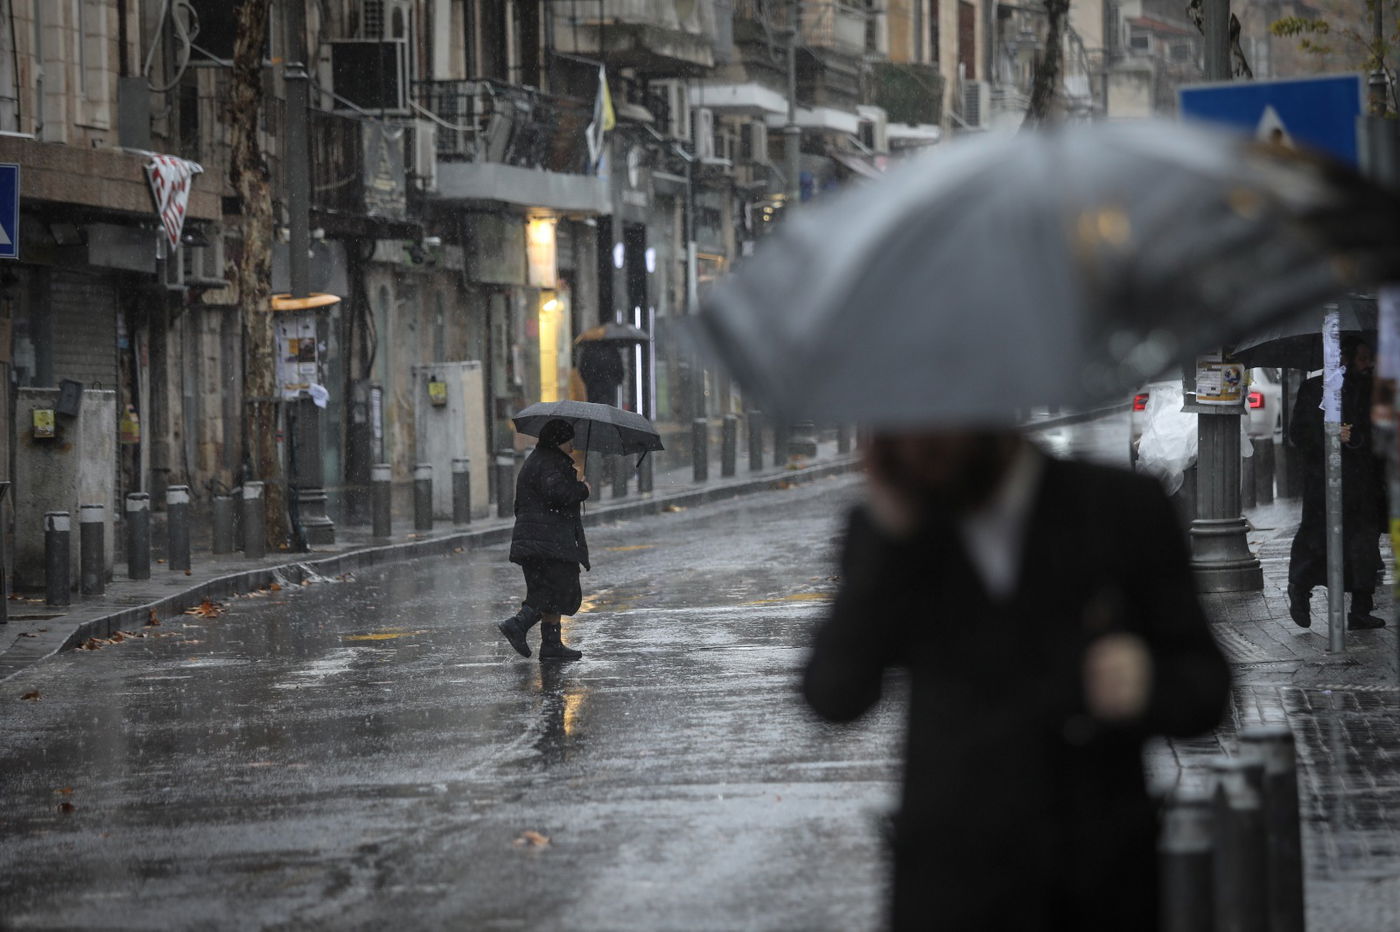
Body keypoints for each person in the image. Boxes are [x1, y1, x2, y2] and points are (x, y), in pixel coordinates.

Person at [803, 430, 1230, 930]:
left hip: (1098, 884)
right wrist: (890, 534)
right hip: (950, 892)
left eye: (940, 426)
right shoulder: (897, 527)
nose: (919, 444)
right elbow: (834, 694)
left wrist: (1148, 686)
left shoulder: (1118, 506)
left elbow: (1207, 686)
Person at [1287, 336, 1388, 630]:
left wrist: (1356, 438)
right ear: (1344, 358)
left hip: (1364, 486)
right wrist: (1330, 435)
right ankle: (1300, 590)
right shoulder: (1314, 390)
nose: (1367, 364)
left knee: (1363, 547)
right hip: (1324, 485)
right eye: (1362, 358)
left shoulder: (1372, 392)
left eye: (1370, 358)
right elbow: (1299, 435)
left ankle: (1360, 609)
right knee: (1316, 541)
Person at [497, 419, 590, 662]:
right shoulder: (549, 462)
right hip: (547, 542)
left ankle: (551, 645)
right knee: (555, 590)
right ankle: (518, 624)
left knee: (548, 590)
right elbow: (557, 494)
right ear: (559, 440)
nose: (573, 446)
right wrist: (582, 489)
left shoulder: (543, 460)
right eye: (570, 440)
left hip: (541, 540)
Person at [577, 341, 626, 406]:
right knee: (608, 407)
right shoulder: (612, 351)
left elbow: (582, 371)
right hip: (608, 387)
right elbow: (619, 372)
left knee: (594, 408)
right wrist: (614, 381)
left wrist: (589, 380)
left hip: (593, 387)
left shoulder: (588, 350)